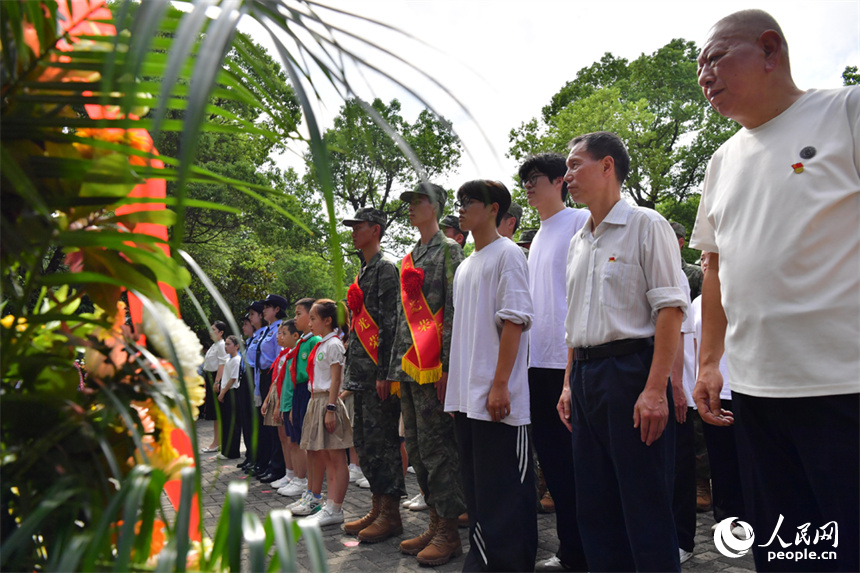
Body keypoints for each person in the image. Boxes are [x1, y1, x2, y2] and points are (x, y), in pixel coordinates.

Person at [691, 10, 859, 571]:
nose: (704, 75)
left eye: (714, 58)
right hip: (758, 394)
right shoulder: (721, 162)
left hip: (843, 386)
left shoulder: (846, 112)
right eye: (698, 67)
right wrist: (710, 361)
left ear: (770, 50)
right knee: (789, 553)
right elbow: (715, 269)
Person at [557, 131, 688, 571]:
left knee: (644, 504)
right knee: (594, 505)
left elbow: (670, 310)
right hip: (585, 378)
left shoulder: (646, 224)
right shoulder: (579, 240)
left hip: (631, 373)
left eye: (576, 164)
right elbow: (574, 319)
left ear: (608, 166)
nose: (568, 175)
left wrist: (655, 391)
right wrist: (567, 385)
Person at [445, 180, 537, 572]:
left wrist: (500, 384)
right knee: (478, 489)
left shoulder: (509, 255)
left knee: (506, 491)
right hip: (468, 399)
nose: (461, 210)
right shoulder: (466, 264)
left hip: (499, 397)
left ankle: (509, 564)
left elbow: (514, 322)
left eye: (469, 203)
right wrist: (456, 394)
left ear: (494, 208)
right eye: (459, 203)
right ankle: (481, 560)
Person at [388, 182, 466, 566]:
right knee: (417, 448)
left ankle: (450, 533)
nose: (411, 209)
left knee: (439, 451)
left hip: (434, 367)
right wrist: (393, 369)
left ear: (435, 206)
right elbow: (403, 319)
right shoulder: (411, 256)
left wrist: (448, 366)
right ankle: (436, 522)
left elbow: (453, 310)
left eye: (417, 202)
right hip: (409, 367)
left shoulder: (450, 250)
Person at [519, 152, 589, 572]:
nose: (528, 185)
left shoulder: (580, 222)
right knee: (555, 463)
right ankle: (571, 549)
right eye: (524, 179)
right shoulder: (538, 236)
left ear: (560, 180)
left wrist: (572, 362)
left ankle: (592, 550)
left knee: (580, 462)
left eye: (535, 178)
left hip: (571, 360)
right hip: (535, 362)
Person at [339, 208, 404, 543]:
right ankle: (377, 506)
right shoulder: (363, 271)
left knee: (384, 443)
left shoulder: (385, 270)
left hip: (377, 375)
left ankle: (391, 514)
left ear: (375, 230)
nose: (352, 232)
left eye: (358, 226)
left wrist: (384, 372)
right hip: (360, 375)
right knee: (364, 443)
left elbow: (391, 324)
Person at [295, 299, 353, 527]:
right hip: (317, 400)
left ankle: (336, 507)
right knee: (327, 457)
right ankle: (329, 506)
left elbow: (336, 379)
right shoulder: (323, 344)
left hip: (327, 401)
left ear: (327, 321)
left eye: (313, 319)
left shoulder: (334, 345)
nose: (310, 324)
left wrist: (330, 408)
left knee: (337, 457)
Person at [282, 298, 319, 500]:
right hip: (298, 390)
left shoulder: (314, 341)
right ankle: (300, 480)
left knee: (306, 440)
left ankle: (305, 482)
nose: (295, 318)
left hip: (308, 390)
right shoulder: (303, 341)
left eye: (299, 314)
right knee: (295, 436)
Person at [256, 294, 288, 483]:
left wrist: (275, 384)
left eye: (267, 307)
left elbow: (280, 359)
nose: (264, 310)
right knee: (267, 425)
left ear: (277, 309)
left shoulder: (281, 329)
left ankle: (278, 467)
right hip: (264, 376)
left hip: (274, 376)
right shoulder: (268, 330)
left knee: (276, 426)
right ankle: (270, 464)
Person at [201, 320, 228, 453]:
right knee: (214, 413)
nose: (211, 332)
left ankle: (217, 442)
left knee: (218, 413)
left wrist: (217, 382)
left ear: (221, 332)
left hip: (217, 379)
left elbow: (222, 364)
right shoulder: (215, 345)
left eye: (214, 330)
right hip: (210, 377)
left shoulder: (222, 345)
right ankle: (217, 441)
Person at [216, 335, 242, 459]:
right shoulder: (228, 360)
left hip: (231, 392)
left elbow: (233, 379)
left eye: (229, 344)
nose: (226, 347)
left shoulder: (237, 360)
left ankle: (232, 452)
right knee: (226, 422)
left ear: (236, 346)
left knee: (232, 423)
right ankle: (225, 449)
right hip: (225, 392)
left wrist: (222, 392)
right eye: (225, 344)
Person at [236, 314, 257, 470]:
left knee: (252, 421)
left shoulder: (256, 340)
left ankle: (255, 457)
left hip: (252, 382)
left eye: (246, 324)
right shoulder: (249, 342)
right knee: (245, 421)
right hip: (244, 380)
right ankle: (249, 454)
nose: (243, 327)